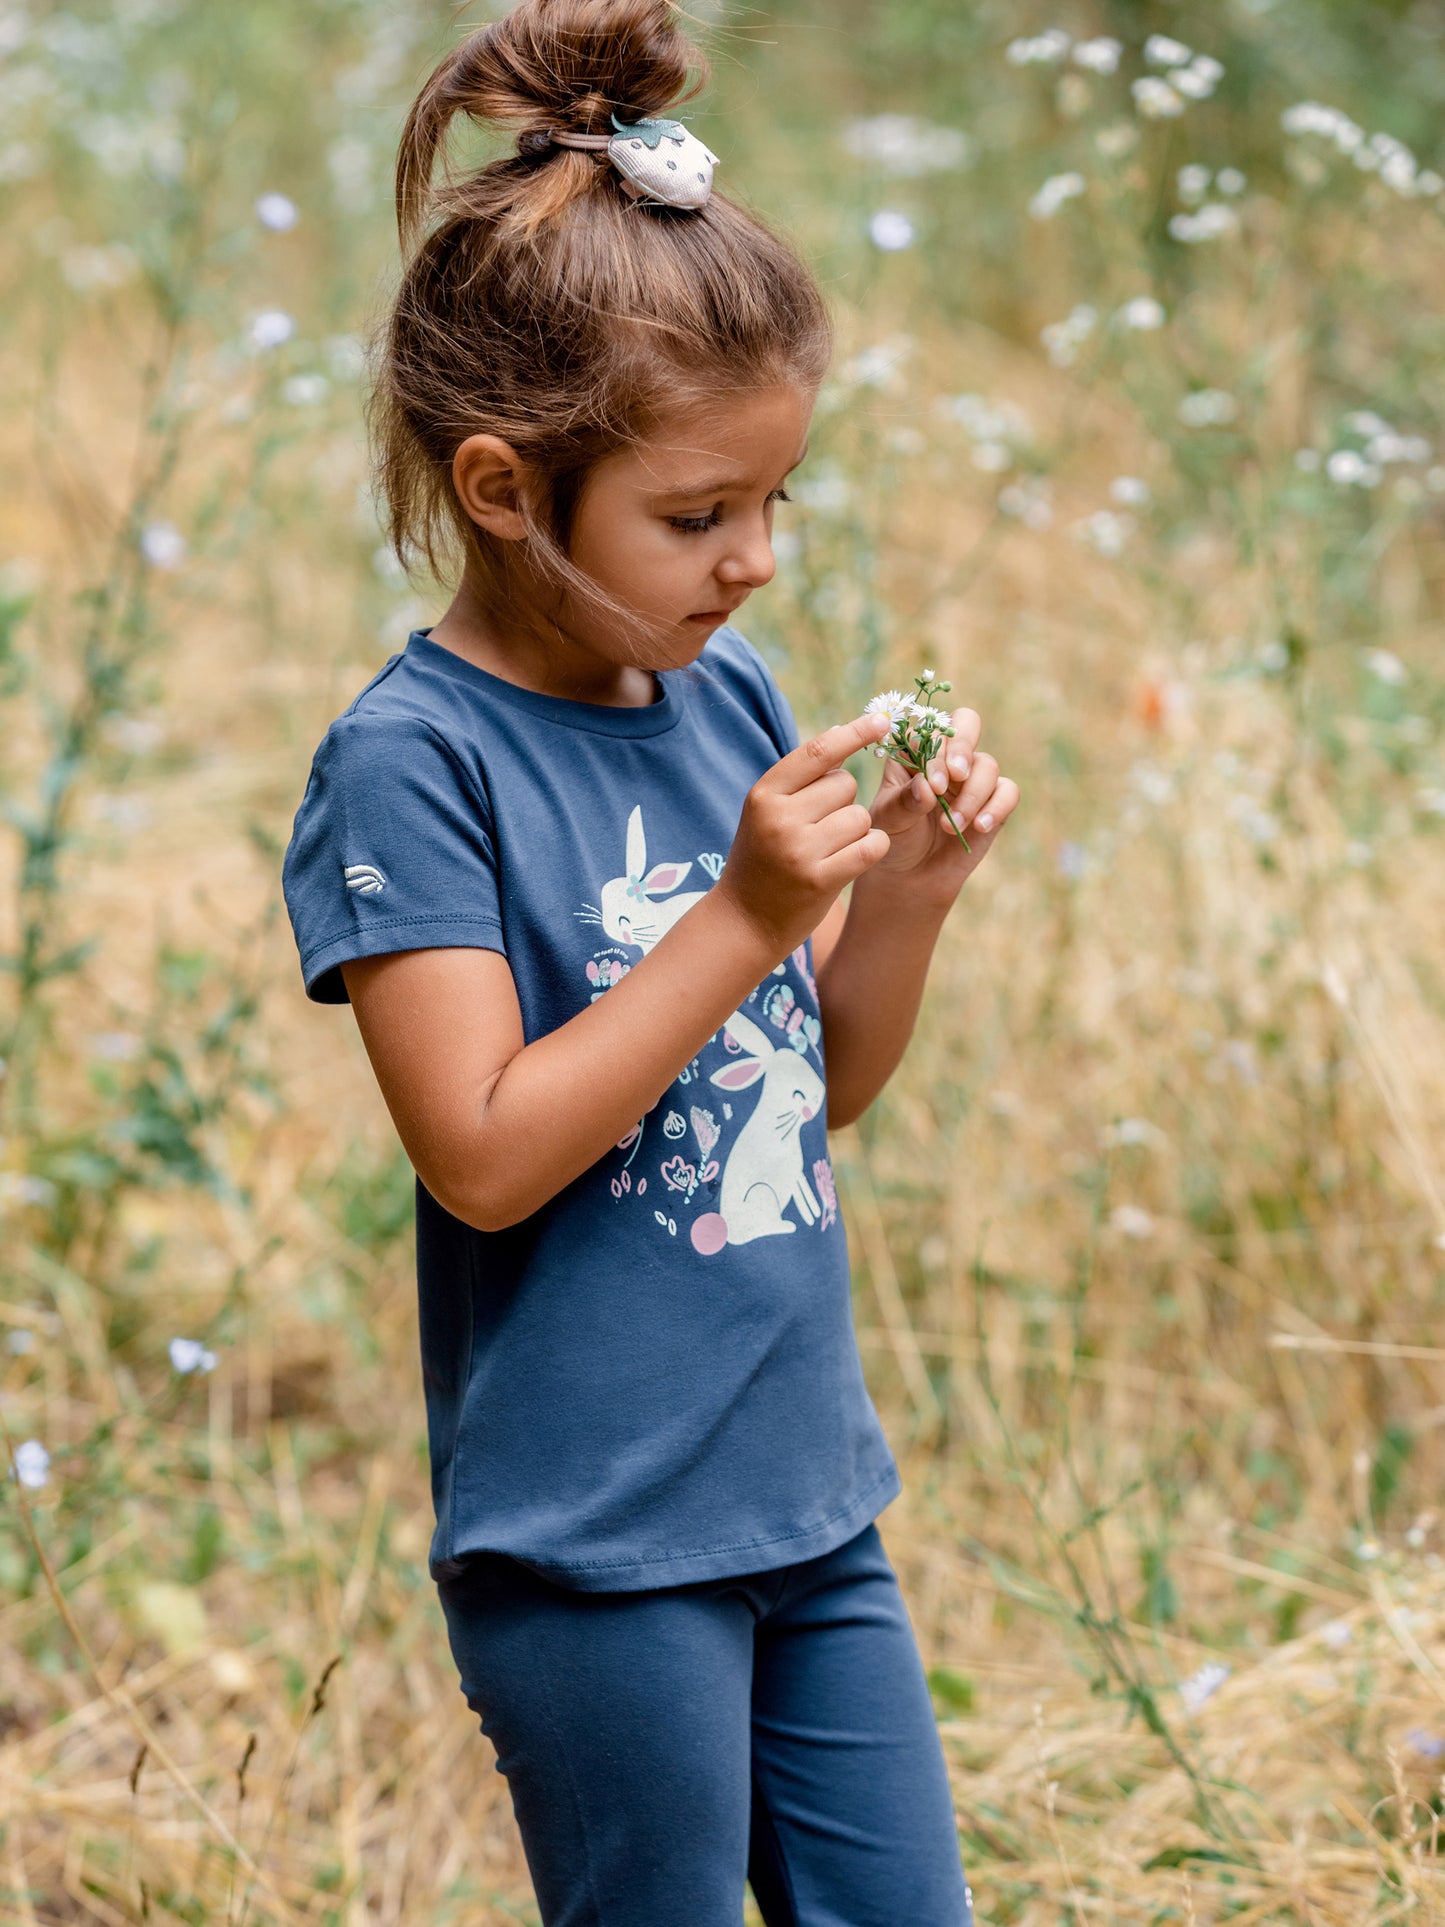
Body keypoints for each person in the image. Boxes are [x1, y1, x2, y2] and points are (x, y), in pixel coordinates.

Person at [282, 1, 1018, 1919]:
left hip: (807, 1497)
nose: (753, 559)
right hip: (597, 1545)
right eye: (696, 516)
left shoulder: (725, 690)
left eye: (774, 501)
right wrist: (745, 915)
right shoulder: (414, 764)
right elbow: (484, 1153)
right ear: (500, 489)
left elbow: (807, 1095)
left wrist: (904, 902)